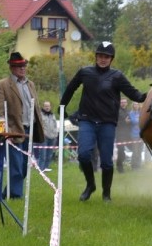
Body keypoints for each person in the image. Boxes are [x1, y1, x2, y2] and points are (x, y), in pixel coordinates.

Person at [60, 42, 146, 202]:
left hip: (107, 123)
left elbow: (134, 94)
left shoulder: (117, 76)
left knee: (106, 161)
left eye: (106, 57)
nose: (103, 59)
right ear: (96, 57)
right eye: (100, 56)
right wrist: (62, 107)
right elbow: (70, 89)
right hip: (87, 120)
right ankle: (90, 185)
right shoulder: (85, 72)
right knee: (84, 155)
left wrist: (149, 95)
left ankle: (106, 193)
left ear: (111, 59)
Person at [0, 52, 45, 200]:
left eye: (24, 65)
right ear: (12, 68)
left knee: (24, 166)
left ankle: (6, 192)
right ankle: (15, 195)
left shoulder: (30, 84)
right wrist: (3, 133)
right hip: (13, 130)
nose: (22, 68)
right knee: (16, 164)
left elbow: (35, 107)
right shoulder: (2, 85)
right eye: (18, 66)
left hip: (30, 129)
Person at [36, 100, 58, 172]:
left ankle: (46, 168)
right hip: (44, 137)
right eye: (45, 106)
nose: (47, 107)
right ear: (43, 106)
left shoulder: (53, 115)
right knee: (43, 154)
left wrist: (56, 134)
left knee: (50, 154)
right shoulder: (40, 115)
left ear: (50, 107)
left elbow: (55, 125)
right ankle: (41, 169)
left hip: (53, 137)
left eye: (48, 106)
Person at [115, 98, 131, 173]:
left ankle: (135, 165)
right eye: (121, 102)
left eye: (124, 102)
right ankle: (119, 167)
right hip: (120, 134)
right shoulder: (117, 111)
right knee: (121, 151)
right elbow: (115, 122)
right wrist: (125, 122)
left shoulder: (129, 111)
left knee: (134, 148)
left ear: (127, 103)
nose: (123, 103)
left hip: (128, 134)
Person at [128, 102, 143, 169]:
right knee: (135, 151)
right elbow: (134, 121)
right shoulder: (131, 113)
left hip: (141, 134)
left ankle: (139, 165)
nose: (136, 105)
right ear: (133, 106)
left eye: (137, 104)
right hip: (134, 135)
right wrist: (139, 121)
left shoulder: (141, 113)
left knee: (140, 151)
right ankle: (134, 166)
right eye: (134, 104)